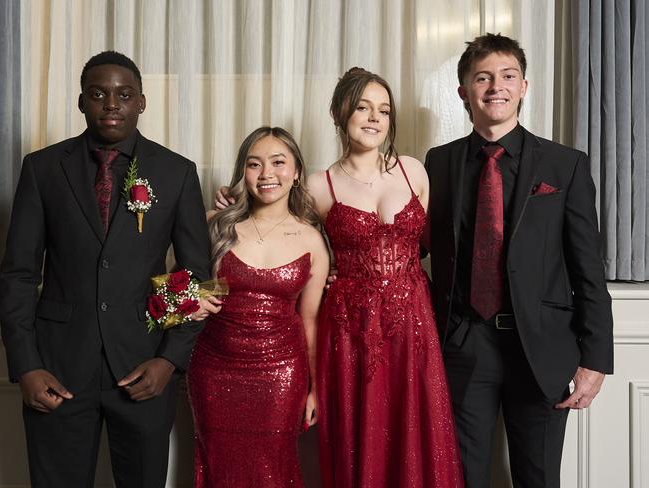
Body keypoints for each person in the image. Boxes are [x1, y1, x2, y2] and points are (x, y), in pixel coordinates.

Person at [215, 68, 464, 488]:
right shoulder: (318, 184)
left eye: (383, 110)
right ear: (339, 113)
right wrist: (233, 201)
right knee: (360, 434)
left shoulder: (414, 172)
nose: (374, 118)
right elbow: (282, 232)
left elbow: (424, 247)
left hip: (413, 322)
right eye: (363, 107)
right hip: (351, 328)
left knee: (417, 434)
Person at [0, 51, 214, 487]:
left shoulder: (176, 173)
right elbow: (19, 274)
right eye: (98, 94)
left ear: (141, 102)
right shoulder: (42, 169)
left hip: (143, 368)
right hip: (56, 371)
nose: (111, 103)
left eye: (124, 94)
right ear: (81, 102)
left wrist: (168, 362)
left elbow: (193, 276)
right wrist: (26, 366)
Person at [424, 33, 614, 487]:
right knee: (461, 478)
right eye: (483, 77)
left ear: (524, 86)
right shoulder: (438, 163)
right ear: (463, 92)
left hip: (543, 350)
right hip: (463, 345)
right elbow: (409, 245)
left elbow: (588, 267)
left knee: (538, 477)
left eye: (508, 76)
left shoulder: (564, 164)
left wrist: (596, 359)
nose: (496, 86)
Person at [187, 126, 329, 487]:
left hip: (282, 375)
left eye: (278, 162)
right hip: (214, 371)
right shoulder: (217, 227)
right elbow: (193, 292)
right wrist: (193, 299)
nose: (267, 174)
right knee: (220, 469)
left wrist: (314, 389)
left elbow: (310, 320)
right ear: (242, 173)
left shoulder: (312, 239)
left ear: (297, 171)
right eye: (254, 164)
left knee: (271, 472)